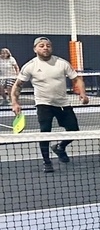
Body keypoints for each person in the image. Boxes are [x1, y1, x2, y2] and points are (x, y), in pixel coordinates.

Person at [9, 37, 90, 173]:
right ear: (35, 49)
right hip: (43, 104)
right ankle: (47, 162)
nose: (45, 48)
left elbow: (77, 79)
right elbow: (17, 86)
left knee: (74, 131)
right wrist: (15, 103)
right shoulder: (30, 66)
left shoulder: (61, 63)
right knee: (45, 133)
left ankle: (60, 147)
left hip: (63, 103)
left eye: (48, 45)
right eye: (41, 46)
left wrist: (83, 93)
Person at [0, 48, 19, 112]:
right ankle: (5, 100)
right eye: (2, 53)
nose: (4, 54)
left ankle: (12, 101)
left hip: (12, 76)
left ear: (8, 53)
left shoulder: (11, 59)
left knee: (9, 88)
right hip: (2, 77)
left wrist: (18, 75)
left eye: (5, 53)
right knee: (1, 89)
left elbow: (16, 67)